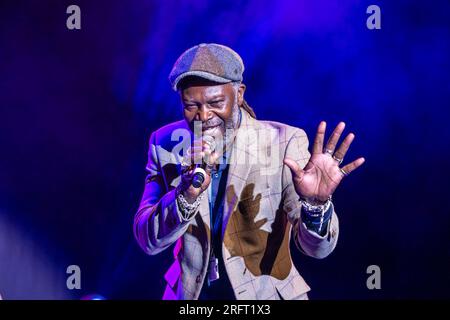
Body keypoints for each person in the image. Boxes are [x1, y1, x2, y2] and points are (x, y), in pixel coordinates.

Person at [133, 43, 365, 300]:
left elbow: (317, 250)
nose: (203, 115)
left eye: (216, 102)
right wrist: (185, 195)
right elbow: (147, 240)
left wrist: (315, 204)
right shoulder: (164, 142)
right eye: (191, 105)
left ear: (239, 94)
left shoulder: (283, 141)